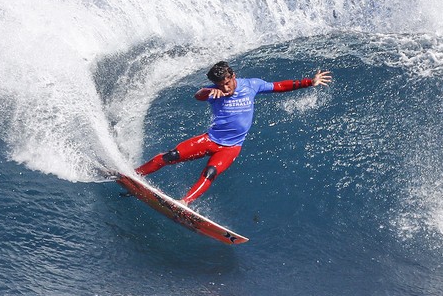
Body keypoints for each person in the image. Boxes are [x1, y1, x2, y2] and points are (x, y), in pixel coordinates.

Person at [135, 61, 332, 205]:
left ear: (233, 76)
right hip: (210, 139)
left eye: (227, 83)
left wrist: (309, 82)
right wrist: (209, 92)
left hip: (230, 148)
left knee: (210, 173)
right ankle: (134, 175)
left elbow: (279, 86)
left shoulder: (251, 85)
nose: (225, 88)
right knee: (171, 156)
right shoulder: (213, 91)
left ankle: (184, 202)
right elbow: (198, 96)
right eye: (220, 85)